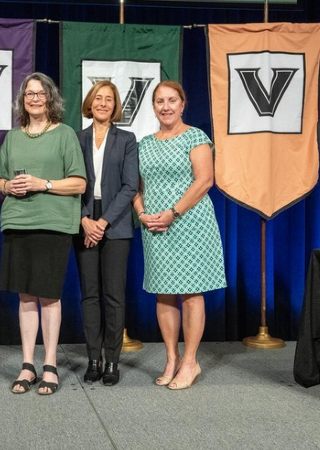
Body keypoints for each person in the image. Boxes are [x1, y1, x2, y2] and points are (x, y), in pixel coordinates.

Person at [0, 72, 86, 395]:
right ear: (22, 100)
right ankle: (27, 365)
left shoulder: (65, 135)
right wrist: (10, 185)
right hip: (18, 223)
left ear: (50, 98)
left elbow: (79, 182)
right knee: (24, 296)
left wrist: (42, 184)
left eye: (40, 93)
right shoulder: (12, 137)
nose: (34, 98)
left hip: (53, 224)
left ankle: (50, 365)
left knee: (49, 295)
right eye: (29, 94)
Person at [133, 80, 226, 390]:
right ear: (154, 107)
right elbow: (137, 189)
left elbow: (205, 181)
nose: (166, 106)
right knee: (163, 292)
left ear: (183, 104)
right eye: (160, 101)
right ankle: (171, 357)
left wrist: (172, 213)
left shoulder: (196, 137)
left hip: (190, 222)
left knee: (190, 292)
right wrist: (143, 215)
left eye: (172, 100)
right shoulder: (144, 143)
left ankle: (190, 361)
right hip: (155, 226)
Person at [74, 81, 139, 386]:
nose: (102, 103)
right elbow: (71, 183)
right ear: (90, 102)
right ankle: (93, 359)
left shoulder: (127, 139)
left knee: (113, 295)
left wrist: (102, 223)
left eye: (108, 99)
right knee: (90, 295)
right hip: (84, 219)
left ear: (115, 106)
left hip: (116, 222)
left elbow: (130, 186)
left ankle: (112, 361)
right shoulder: (77, 138)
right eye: (98, 98)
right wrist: (86, 219)